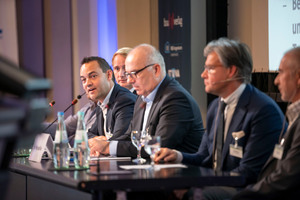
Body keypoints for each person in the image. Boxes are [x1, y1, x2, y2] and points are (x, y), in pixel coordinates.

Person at [154, 38, 286, 199]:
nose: (203, 75)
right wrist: (177, 155)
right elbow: (204, 157)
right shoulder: (216, 106)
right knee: (163, 189)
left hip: (246, 190)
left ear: (231, 71)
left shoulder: (262, 110)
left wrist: (197, 186)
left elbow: (249, 172)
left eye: (210, 68)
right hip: (220, 182)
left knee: (195, 195)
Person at [89, 44, 205, 157]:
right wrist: (102, 146)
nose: (129, 80)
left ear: (156, 69)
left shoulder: (175, 99)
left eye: (134, 74)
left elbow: (157, 146)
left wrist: (108, 147)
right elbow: (130, 137)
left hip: (180, 173)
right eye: (128, 74)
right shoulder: (141, 98)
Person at [232, 47, 300, 200]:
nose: (275, 80)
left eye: (281, 72)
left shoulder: (265, 110)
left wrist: (242, 195)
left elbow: (287, 177)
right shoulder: (293, 116)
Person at [80, 56, 136, 142]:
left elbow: (119, 141)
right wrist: (97, 140)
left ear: (109, 75)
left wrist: (102, 144)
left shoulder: (124, 101)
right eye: (84, 80)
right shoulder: (101, 103)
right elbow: (88, 134)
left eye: (93, 76)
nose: (88, 83)